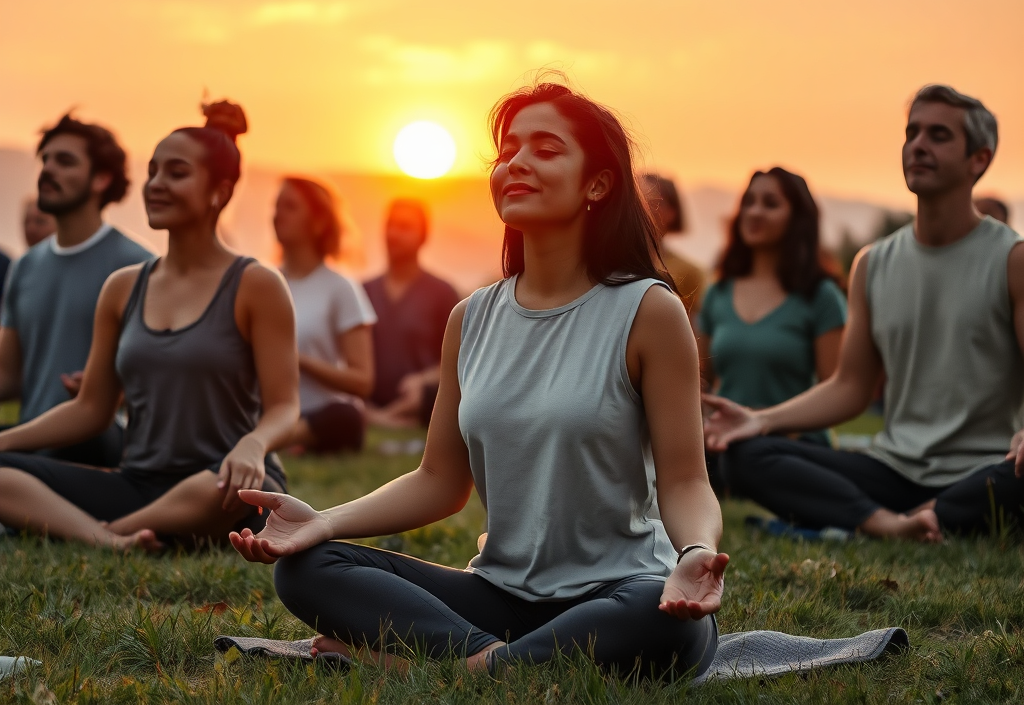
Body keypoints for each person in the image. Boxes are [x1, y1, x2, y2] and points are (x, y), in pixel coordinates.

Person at [230, 80, 727, 678]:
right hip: (499, 597)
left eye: (545, 149)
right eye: (507, 151)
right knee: (308, 567)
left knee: (661, 616)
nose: (516, 164)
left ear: (598, 183)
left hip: (621, 594)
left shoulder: (647, 310)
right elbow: (440, 480)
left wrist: (694, 552)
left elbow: (684, 480)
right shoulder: (471, 319)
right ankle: (498, 663)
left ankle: (438, 662)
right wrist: (323, 522)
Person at [704, 85, 1024, 541]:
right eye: (912, 132)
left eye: (938, 135)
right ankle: (890, 523)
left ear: (979, 159)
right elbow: (850, 387)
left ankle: (919, 514)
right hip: (892, 470)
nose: (918, 145)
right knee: (745, 453)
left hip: (984, 472)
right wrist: (761, 420)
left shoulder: (1012, 260)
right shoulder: (873, 264)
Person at [0, 101, 299, 549]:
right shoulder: (123, 287)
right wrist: (4, 441)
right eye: (153, 172)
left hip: (222, 483)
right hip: (138, 483)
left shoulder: (256, 285)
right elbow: (91, 409)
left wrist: (255, 444)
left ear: (219, 190)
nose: (156, 185)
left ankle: (103, 532)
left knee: (226, 490)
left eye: (176, 173)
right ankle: (119, 540)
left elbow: (285, 406)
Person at [0, 114, 153, 467]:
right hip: (29, 443)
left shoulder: (138, 266)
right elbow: (7, 376)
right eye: (46, 160)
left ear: (102, 179)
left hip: (101, 448)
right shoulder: (26, 266)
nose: (48, 170)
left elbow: (161, 384)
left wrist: (109, 392)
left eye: (64, 161)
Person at [698, 168, 846, 461]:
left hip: (797, 449)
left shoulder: (821, 296)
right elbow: (698, 385)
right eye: (749, 202)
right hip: (725, 447)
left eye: (770, 203)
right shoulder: (718, 293)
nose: (754, 212)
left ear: (798, 218)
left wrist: (766, 424)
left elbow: (837, 392)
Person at [274, 177, 377, 454]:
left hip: (321, 415)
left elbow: (362, 381)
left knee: (347, 416)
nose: (277, 214)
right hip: (269, 410)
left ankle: (282, 440)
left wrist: (297, 360)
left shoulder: (340, 288)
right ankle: (283, 439)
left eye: (290, 207)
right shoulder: (264, 282)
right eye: (277, 205)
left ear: (318, 223)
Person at [363, 200, 459, 429]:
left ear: (423, 237)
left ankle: (383, 419)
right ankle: (386, 420)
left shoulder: (442, 293)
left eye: (405, 227)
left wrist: (424, 380)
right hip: (367, 400)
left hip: (421, 399)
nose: (394, 234)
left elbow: (460, 358)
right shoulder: (363, 291)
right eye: (390, 225)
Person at [641, 174, 705, 318]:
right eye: (639, 200)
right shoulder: (609, 265)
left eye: (653, 202)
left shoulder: (690, 272)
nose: (643, 208)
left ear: (672, 212)